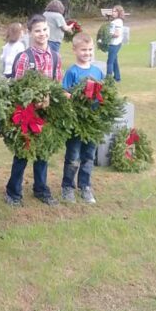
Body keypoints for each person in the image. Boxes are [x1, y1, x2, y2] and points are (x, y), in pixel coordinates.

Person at [4, 14, 62, 207]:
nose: (42, 34)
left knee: (43, 152)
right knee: (23, 152)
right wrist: (33, 101)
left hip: (47, 113)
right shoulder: (24, 58)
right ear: (30, 33)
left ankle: (41, 189)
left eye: (45, 30)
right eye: (37, 31)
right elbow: (17, 89)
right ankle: (13, 191)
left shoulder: (55, 57)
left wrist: (50, 99)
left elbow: (57, 85)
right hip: (27, 114)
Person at [61, 32, 103, 204]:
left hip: (92, 122)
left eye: (90, 49)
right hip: (77, 122)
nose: (87, 53)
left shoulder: (97, 71)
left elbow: (103, 93)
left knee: (89, 155)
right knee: (73, 155)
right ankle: (67, 186)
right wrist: (76, 99)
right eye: (84, 50)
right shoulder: (72, 72)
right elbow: (64, 92)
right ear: (75, 50)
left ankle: (85, 185)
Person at [106, 5, 125, 82]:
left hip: (114, 44)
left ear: (119, 12)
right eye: (113, 11)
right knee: (114, 61)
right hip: (115, 44)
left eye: (115, 11)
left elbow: (117, 34)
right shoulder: (116, 21)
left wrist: (107, 34)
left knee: (109, 62)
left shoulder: (118, 22)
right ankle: (117, 77)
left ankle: (108, 80)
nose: (113, 13)